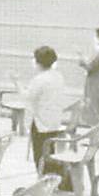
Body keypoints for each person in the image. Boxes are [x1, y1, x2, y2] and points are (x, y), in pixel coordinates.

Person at [23, 44, 71, 176]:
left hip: (41, 122)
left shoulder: (39, 79)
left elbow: (28, 97)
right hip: (54, 120)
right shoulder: (58, 76)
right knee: (50, 151)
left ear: (38, 61)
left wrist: (15, 83)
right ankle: (53, 177)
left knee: (40, 154)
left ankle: (44, 178)